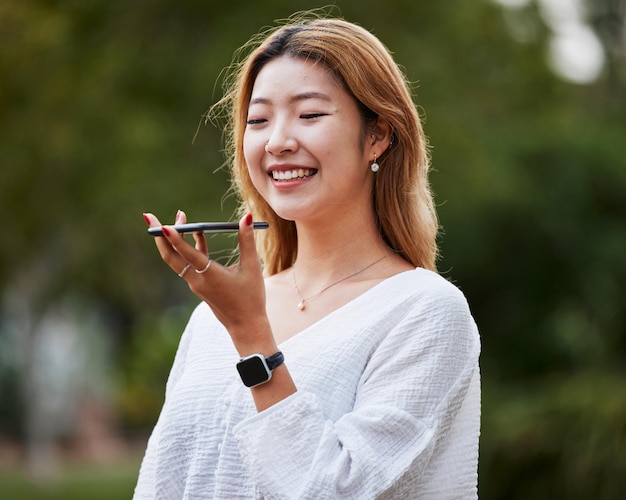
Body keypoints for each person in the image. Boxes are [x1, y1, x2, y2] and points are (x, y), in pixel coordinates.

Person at [137, 12, 480, 500]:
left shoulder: (424, 313)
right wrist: (238, 320)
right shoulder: (211, 318)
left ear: (378, 135)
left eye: (310, 115)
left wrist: (251, 335)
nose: (277, 141)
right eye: (258, 120)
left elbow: (332, 491)